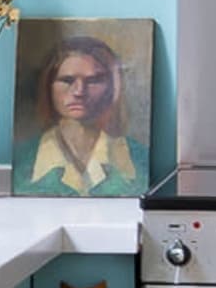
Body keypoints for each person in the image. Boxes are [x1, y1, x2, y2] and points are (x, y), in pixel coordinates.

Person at [14, 31, 142, 196]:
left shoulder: (138, 160)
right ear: (48, 86)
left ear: (112, 87)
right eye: (67, 80)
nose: (79, 92)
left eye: (93, 80)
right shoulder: (23, 159)